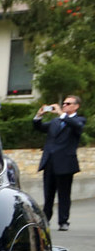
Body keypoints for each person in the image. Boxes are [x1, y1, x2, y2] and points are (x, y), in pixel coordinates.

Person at [33, 95, 85, 231]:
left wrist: (62, 114)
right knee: (48, 194)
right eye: (64, 103)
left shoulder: (78, 120)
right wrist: (39, 116)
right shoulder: (56, 121)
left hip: (65, 163)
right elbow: (39, 127)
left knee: (64, 194)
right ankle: (45, 219)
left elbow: (77, 126)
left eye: (68, 104)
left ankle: (63, 221)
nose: (64, 105)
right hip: (50, 161)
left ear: (76, 106)